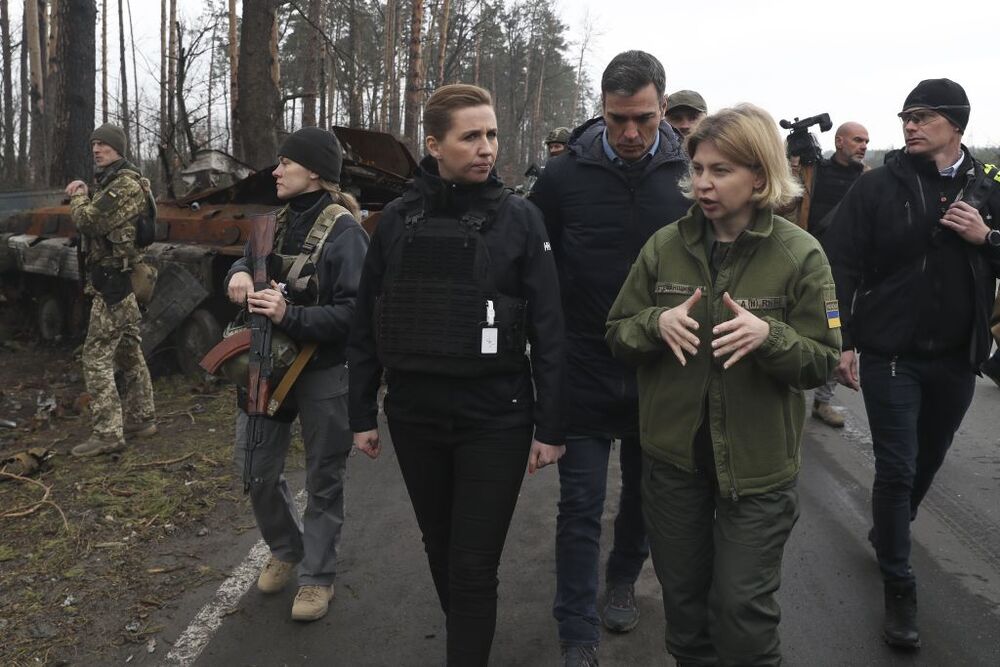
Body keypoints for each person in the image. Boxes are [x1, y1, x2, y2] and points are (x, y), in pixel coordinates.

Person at [606, 103, 840, 665]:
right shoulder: (664, 247)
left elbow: (823, 361)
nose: (703, 185)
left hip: (757, 470)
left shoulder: (800, 254)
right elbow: (616, 333)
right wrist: (653, 323)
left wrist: (771, 336)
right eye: (698, 170)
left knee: (742, 615)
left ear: (759, 176)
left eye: (720, 171)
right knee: (685, 615)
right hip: (673, 465)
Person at [348, 84, 566, 666]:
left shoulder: (521, 218)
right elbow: (368, 318)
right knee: (440, 550)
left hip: (496, 419)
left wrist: (552, 425)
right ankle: (468, 639)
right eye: (471, 136)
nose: (487, 147)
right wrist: (360, 413)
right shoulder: (395, 220)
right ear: (435, 144)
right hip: (416, 418)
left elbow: (548, 327)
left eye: (491, 134)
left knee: (472, 566)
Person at [825, 78, 1000, 649]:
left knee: (927, 460)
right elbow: (837, 264)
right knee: (897, 468)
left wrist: (987, 236)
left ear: (956, 124)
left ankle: (889, 531)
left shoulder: (990, 185)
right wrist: (842, 339)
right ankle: (899, 582)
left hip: (956, 357)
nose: (910, 125)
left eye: (923, 116)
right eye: (906, 116)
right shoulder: (878, 186)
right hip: (890, 353)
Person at [529, 50, 689, 666]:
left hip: (661, 370)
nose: (629, 133)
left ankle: (623, 577)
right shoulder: (564, 177)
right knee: (580, 506)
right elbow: (536, 268)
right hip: (585, 370)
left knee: (647, 497)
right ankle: (575, 630)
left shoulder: (687, 176)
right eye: (618, 118)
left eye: (643, 119)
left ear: (662, 109)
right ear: (601, 108)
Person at [225, 127, 369, 622]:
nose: (276, 170)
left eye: (286, 162)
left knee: (324, 477)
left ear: (314, 172)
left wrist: (292, 317)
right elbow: (244, 266)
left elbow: (355, 315)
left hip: (324, 368)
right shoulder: (268, 225)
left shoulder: (346, 232)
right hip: (266, 362)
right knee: (255, 467)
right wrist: (237, 276)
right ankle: (286, 547)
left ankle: (317, 577)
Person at [65, 123, 156, 457]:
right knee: (129, 351)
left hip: (116, 284)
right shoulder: (115, 182)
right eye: (93, 144)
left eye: (103, 144)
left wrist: (78, 196)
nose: (96, 149)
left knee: (96, 356)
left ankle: (107, 433)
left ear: (118, 148)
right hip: (119, 279)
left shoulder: (124, 186)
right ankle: (141, 418)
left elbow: (89, 221)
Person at [799, 121, 870, 428]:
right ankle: (782, 397)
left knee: (836, 332)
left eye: (866, 141)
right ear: (839, 141)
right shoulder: (813, 173)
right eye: (857, 140)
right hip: (803, 267)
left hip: (842, 277)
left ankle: (822, 401)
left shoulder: (869, 180)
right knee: (793, 328)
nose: (863, 145)